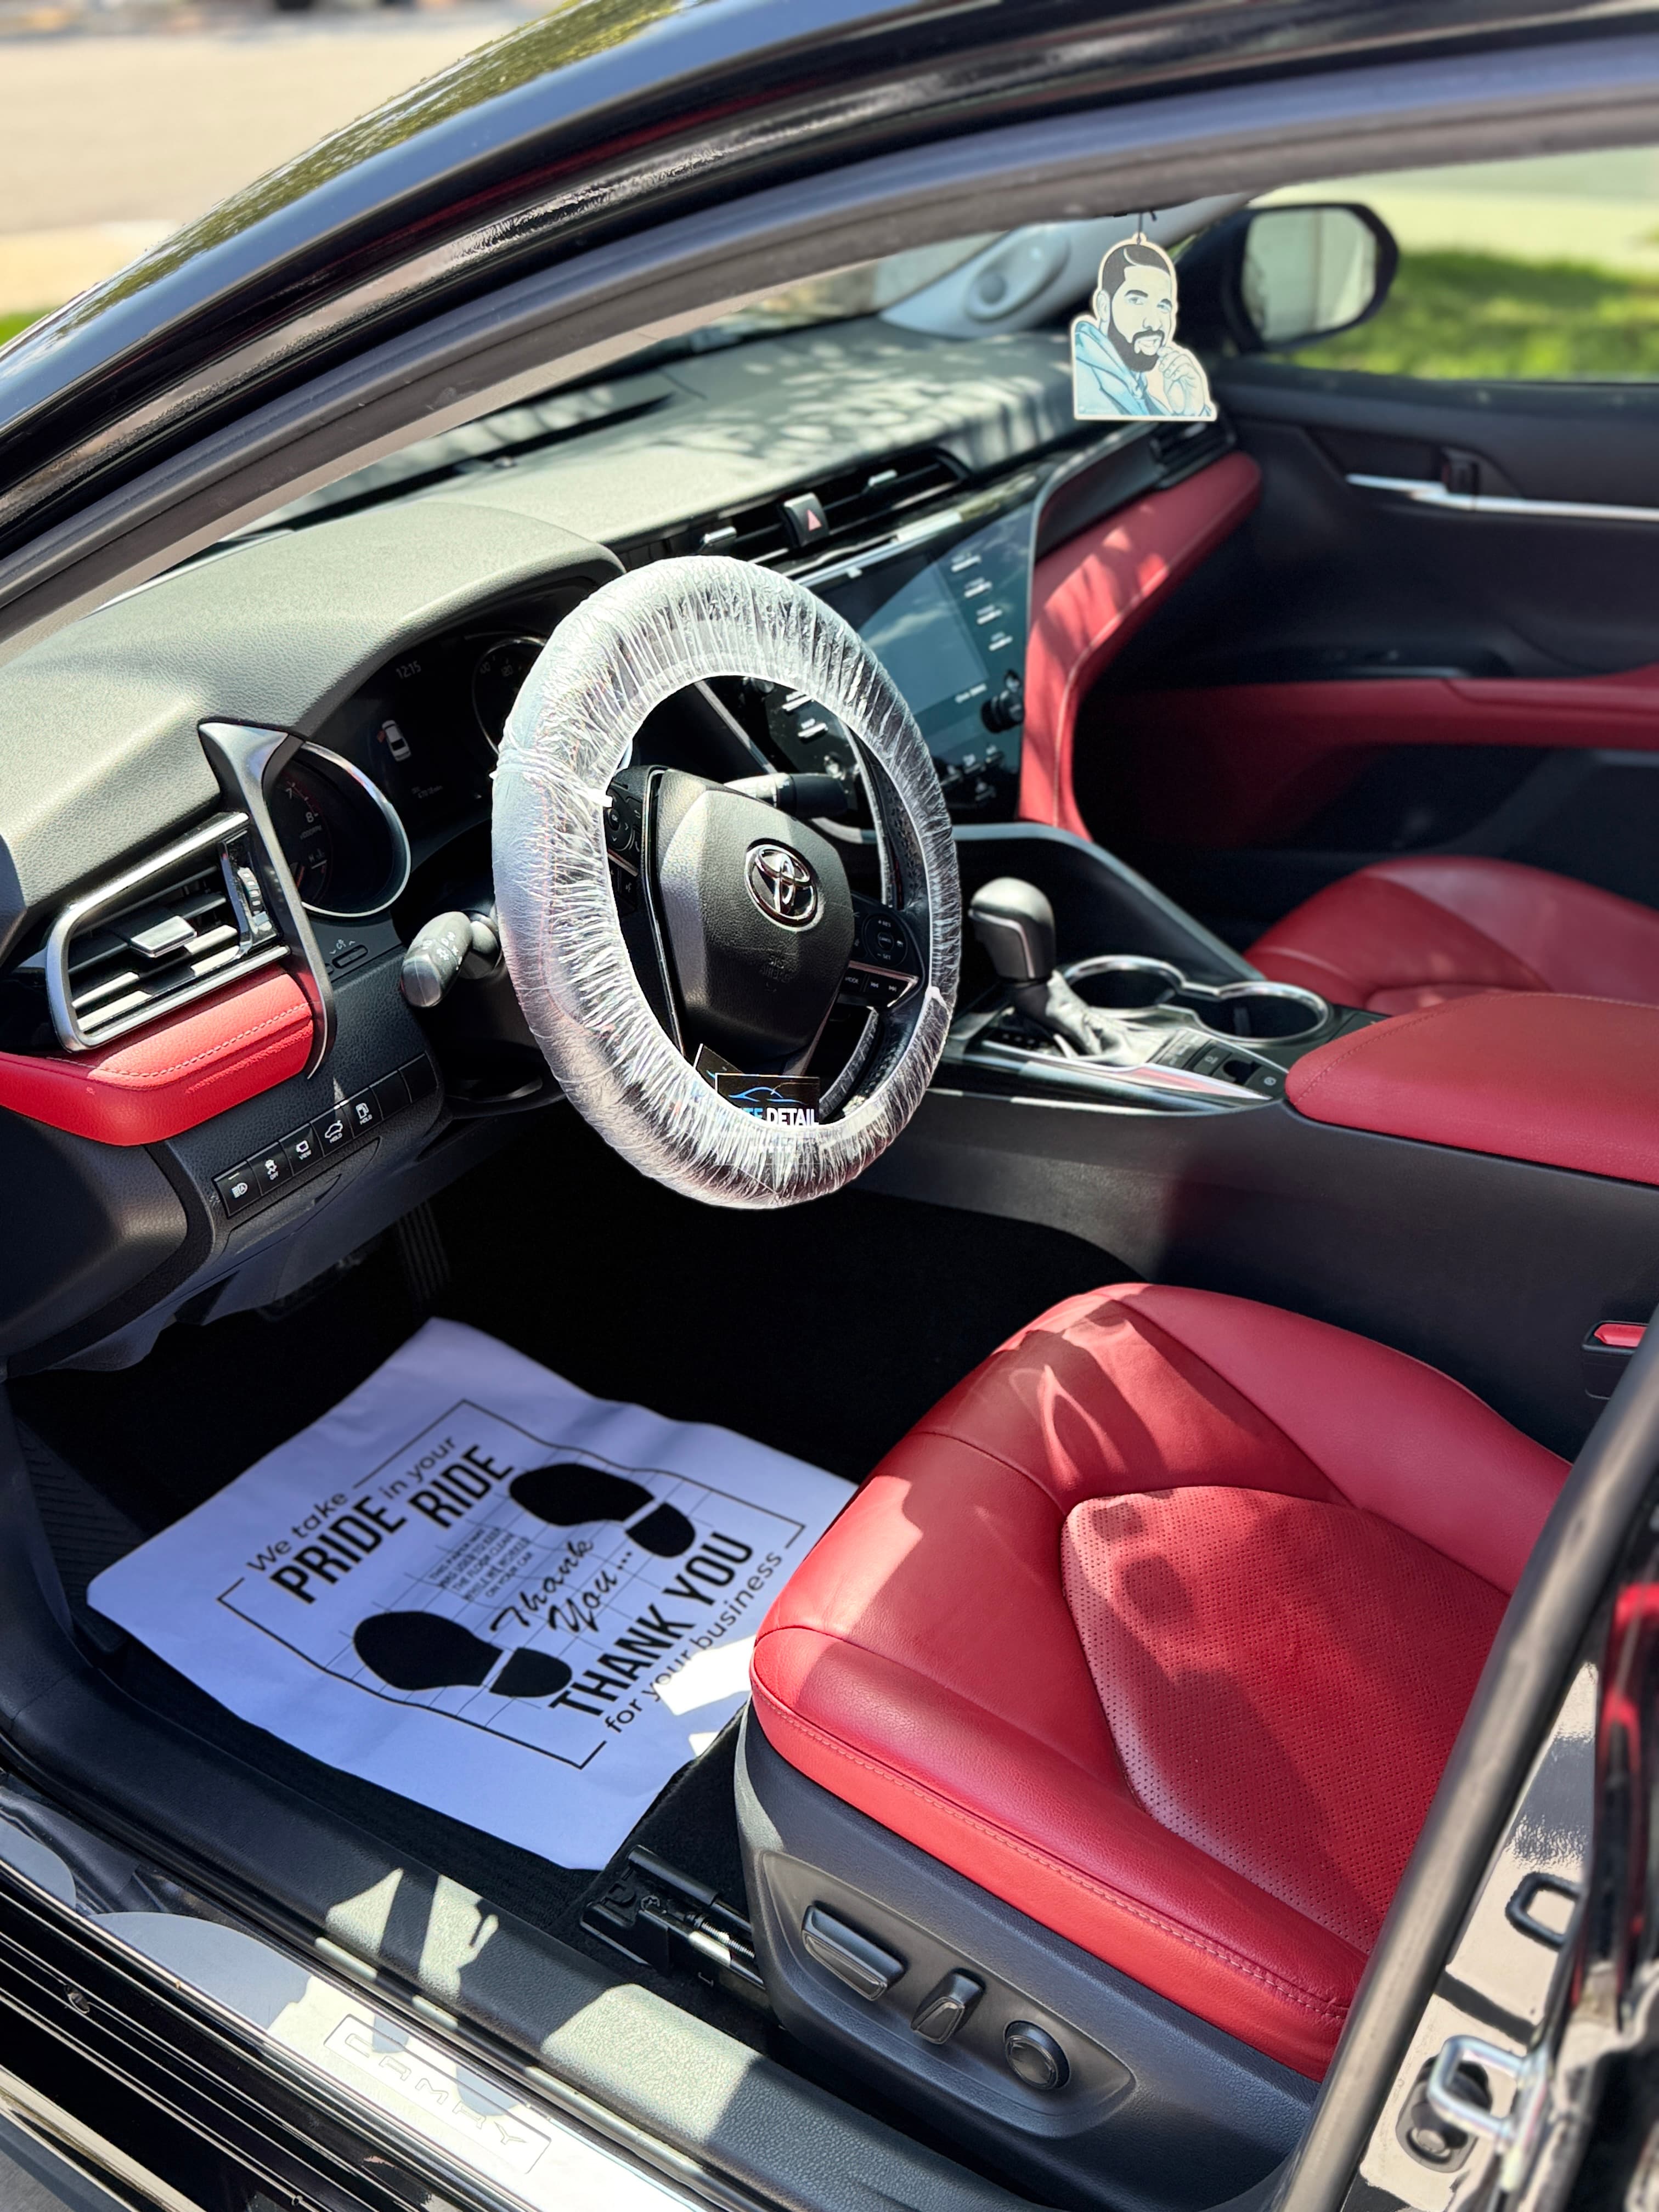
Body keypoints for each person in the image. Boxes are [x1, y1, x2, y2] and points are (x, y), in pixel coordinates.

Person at [1071, 238, 1215, 421]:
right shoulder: (1087, 383)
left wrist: (1191, 411)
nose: (1154, 323)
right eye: (1137, 301)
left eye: (1163, 306)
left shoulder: (1135, 384)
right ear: (1104, 306)